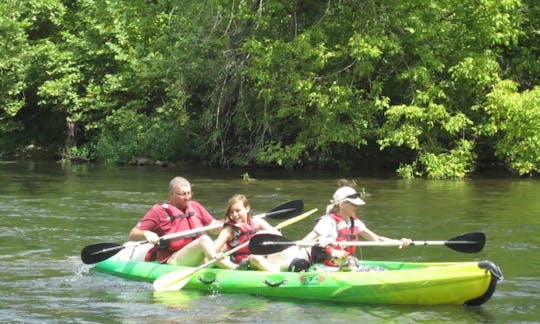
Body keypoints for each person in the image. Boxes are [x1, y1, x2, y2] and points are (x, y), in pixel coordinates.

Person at [301, 183, 412, 271]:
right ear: (342, 204)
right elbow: (304, 242)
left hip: (346, 266)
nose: (357, 206)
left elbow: (377, 239)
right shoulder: (328, 222)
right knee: (351, 264)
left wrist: (399, 241)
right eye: (353, 204)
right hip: (325, 269)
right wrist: (328, 244)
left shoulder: (355, 222)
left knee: (379, 270)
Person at [128, 176, 223, 266]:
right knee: (204, 239)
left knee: (228, 236)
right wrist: (146, 233)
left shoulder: (195, 206)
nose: (187, 197)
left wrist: (227, 222)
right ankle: (228, 266)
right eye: (182, 194)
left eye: (189, 193)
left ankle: (226, 264)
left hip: (198, 254)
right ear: (171, 194)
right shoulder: (158, 211)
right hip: (173, 258)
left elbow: (214, 228)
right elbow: (133, 234)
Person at [213, 194, 281, 272]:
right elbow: (213, 250)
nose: (235, 215)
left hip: (262, 259)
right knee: (254, 258)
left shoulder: (257, 222)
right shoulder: (229, 230)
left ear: (247, 208)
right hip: (242, 265)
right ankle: (279, 276)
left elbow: (279, 236)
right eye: (231, 212)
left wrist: (263, 234)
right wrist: (218, 255)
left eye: (238, 211)